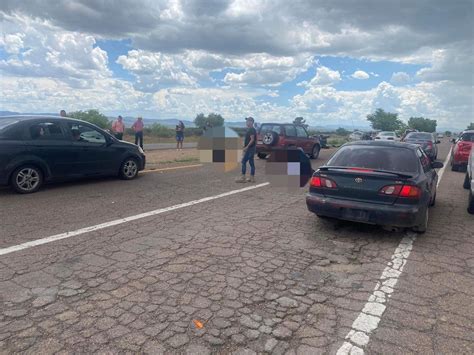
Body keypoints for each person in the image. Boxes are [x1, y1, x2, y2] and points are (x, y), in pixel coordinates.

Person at [236, 116, 257, 183]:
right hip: (251, 148)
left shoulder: (251, 129)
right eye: (246, 121)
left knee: (243, 161)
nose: (246, 122)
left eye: (247, 121)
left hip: (250, 149)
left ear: (251, 122)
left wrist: (246, 147)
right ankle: (252, 178)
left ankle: (243, 178)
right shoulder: (251, 129)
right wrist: (244, 145)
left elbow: (252, 139)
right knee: (251, 163)